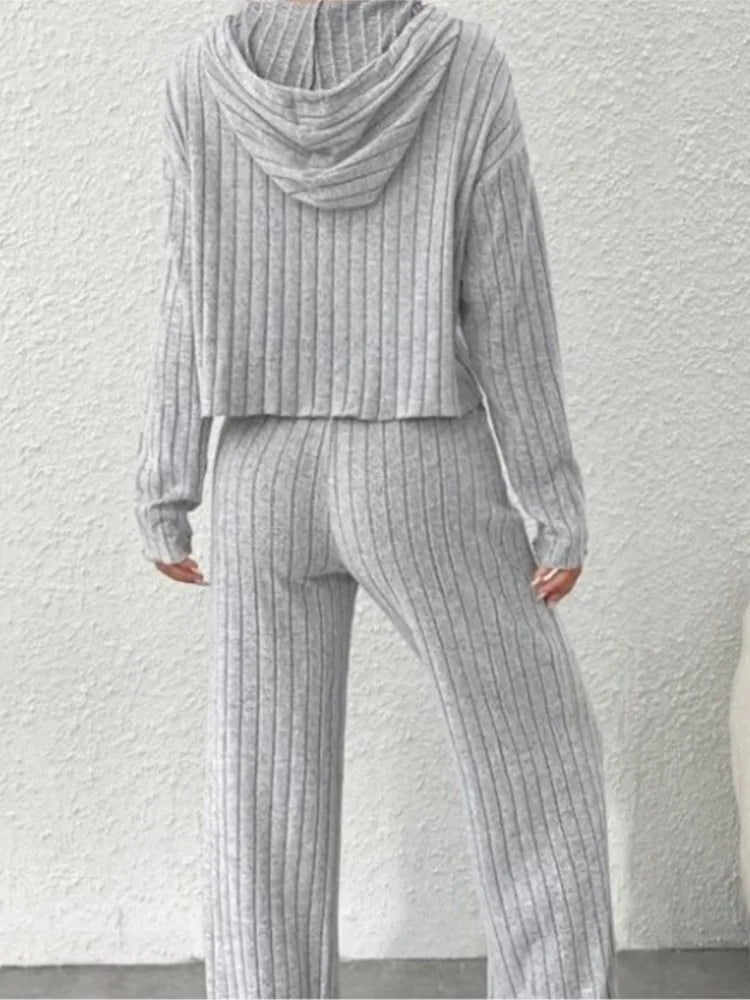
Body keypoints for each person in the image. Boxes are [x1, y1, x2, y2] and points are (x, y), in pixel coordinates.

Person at [134, 0, 615, 996]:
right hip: (418, 465)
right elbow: (508, 298)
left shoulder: (200, 80)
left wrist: (166, 480)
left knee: (261, 798)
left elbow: (187, 291)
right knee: (537, 755)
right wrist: (550, 493)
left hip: (257, 474)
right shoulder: (464, 65)